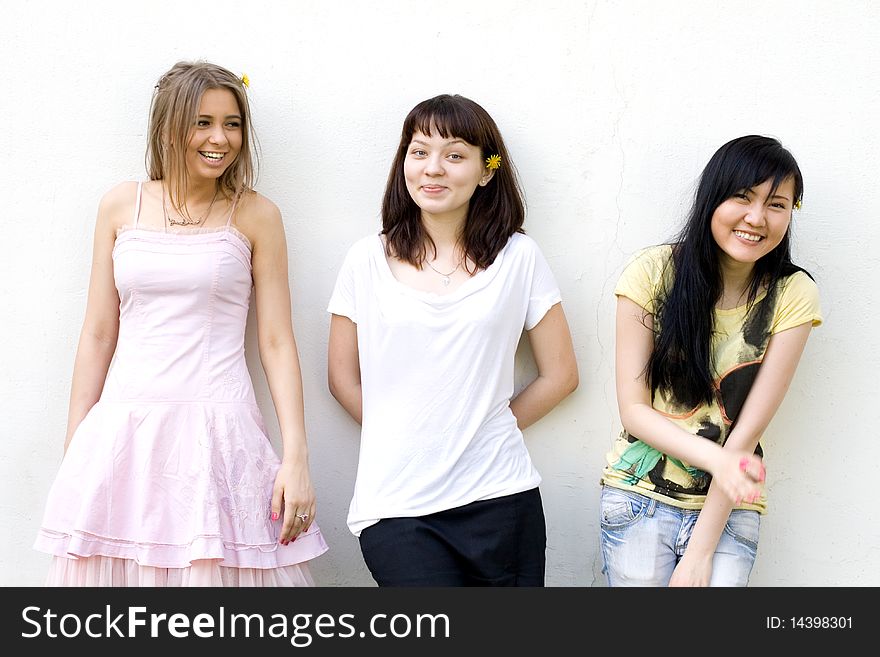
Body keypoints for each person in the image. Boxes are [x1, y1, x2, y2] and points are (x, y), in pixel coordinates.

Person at [34, 61, 328, 586]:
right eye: (203, 122)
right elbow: (99, 333)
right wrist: (76, 443)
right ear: (168, 126)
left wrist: (296, 458)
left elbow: (277, 341)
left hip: (219, 435)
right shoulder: (120, 205)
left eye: (233, 123)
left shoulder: (256, 214)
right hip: (124, 436)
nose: (221, 138)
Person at [327, 94, 578, 586]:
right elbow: (341, 376)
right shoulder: (366, 260)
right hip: (398, 505)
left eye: (455, 154)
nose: (432, 168)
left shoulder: (519, 257)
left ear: (486, 171)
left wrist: (480, 430)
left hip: (503, 498)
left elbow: (562, 374)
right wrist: (409, 436)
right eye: (419, 152)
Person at [600, 135, 822, 587]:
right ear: (711, 198)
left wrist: (701, 552)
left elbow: (746, 433)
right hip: (637, 496)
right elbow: (635, 412)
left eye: (776, 204)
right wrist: (716, 460)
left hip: (730, 508)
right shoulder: (652, 272)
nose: (756, 218)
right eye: (743, 197)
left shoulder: (793, 293)